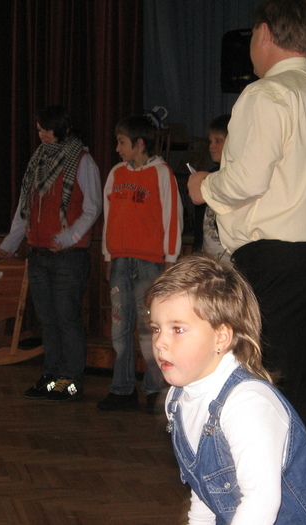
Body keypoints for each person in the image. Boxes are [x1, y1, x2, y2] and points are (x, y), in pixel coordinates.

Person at [187, 0, 306, 450]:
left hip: (274, 263)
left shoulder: (266, 94)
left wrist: (203, 186)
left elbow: (244, 180)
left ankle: (263, 487)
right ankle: (301, 488)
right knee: (302, 392)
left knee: (261, 389)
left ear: (263, 33)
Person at [147, 254, 306, 524]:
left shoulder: (247, 404)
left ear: (221, 337)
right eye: (156, 329)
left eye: (177, 329)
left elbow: (260, 504)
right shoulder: (179, 399)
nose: (160, 342)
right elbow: (205, 489)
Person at [0, 105, 102, 402]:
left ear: (63, 129)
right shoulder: (38, 159)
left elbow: (93, 207)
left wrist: (68, 238)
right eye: (39, 129)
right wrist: (11, 241)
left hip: (68, 256)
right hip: (38, 254)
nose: (42, 134)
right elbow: (25, 206)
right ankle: (50, 378)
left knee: (67, 320)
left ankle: (70, 382)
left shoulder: (82, 160)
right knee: (47, 320)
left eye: (47, 129)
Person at [97, 115, 183, 414]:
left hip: (150, 262)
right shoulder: (116, 173)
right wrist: (108, 255)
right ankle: (122, 389)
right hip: (120, 260)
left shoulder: (162, 173)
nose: (117, 148)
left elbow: (173, 217)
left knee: (150, 329)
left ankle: (155, 390)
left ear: (140, 143)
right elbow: (108, 215)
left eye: (122, 142)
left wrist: (170, 259)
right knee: (120, 327)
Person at [192, 114, 231, 263]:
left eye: (218, 140)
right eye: (210, 141)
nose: (211, 146)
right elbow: (200, 221)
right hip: (208, 257)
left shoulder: (240, 180)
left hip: (232, 259)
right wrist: (197, 251)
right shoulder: (209, 176)